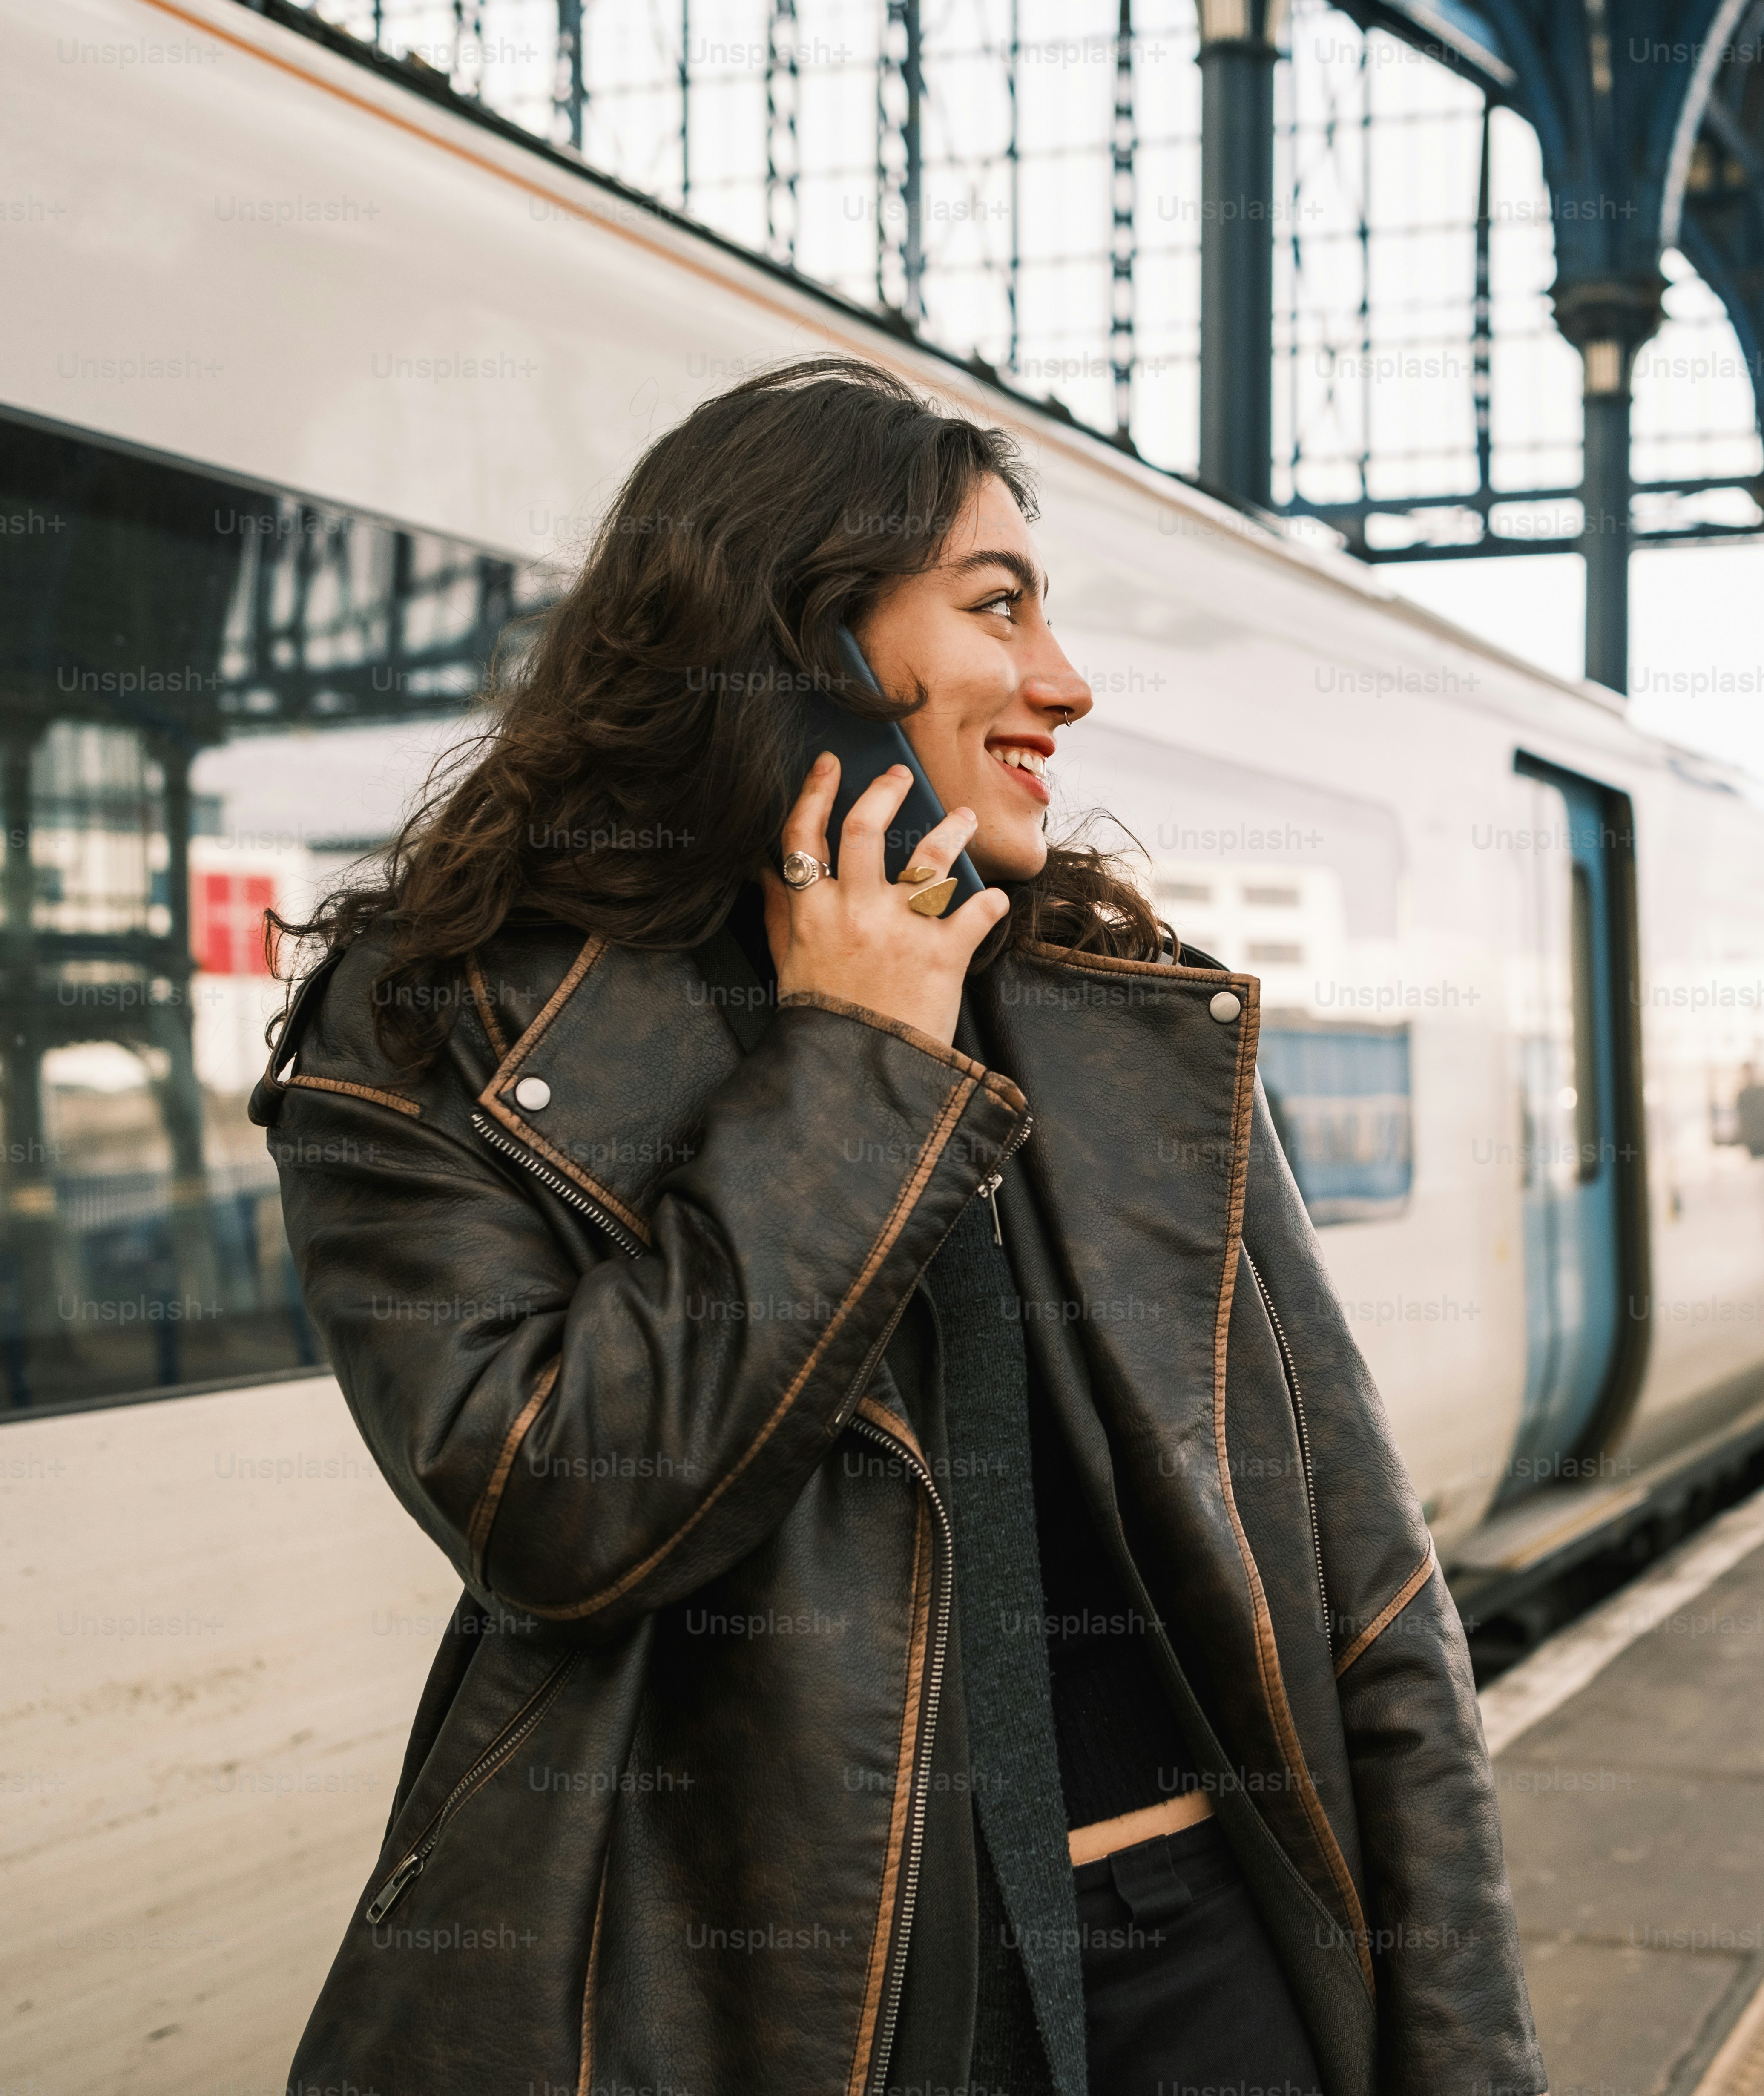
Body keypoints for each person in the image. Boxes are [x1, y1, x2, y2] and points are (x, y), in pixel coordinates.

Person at [257, 361, 1542, 2096]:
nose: (1064, 684)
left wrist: (1466, 2066)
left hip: (1212, 1977)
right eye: (996, 606)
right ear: (802, 644)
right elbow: (558, 1508)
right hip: (766, 2023)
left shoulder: (1108, 1013)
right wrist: (852, 1058)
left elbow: (1372, 1606)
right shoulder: (444, 1030)